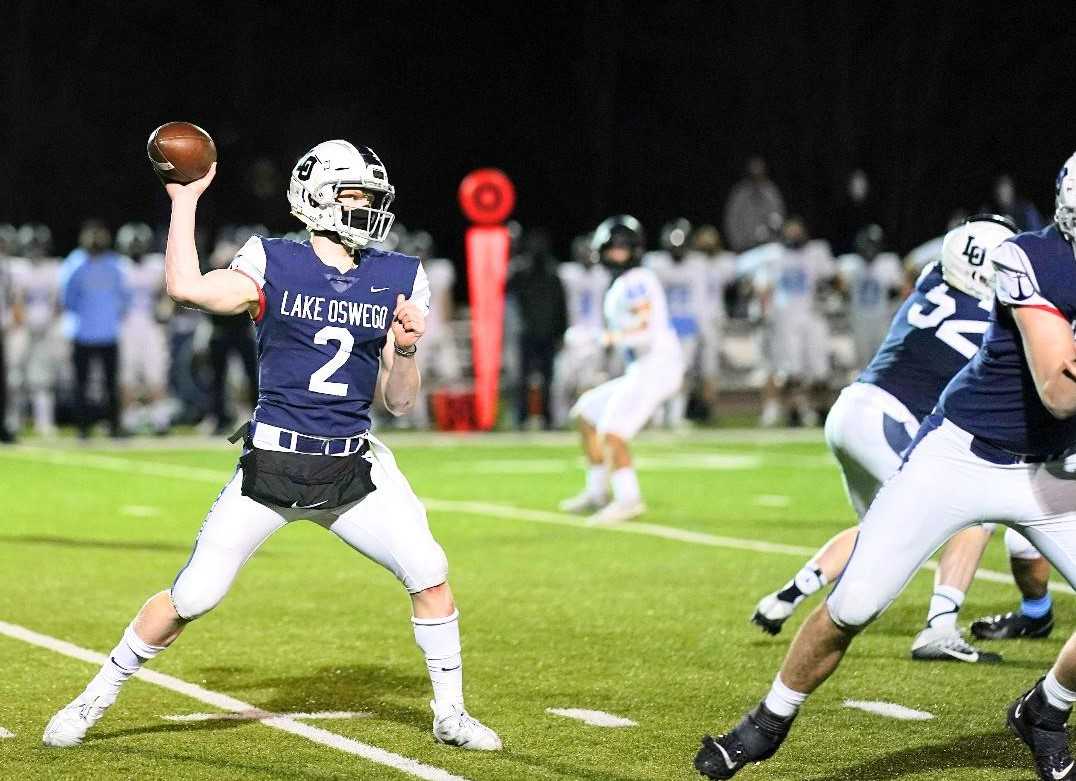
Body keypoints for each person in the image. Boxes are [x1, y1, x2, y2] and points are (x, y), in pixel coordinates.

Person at [43, 139, 500, 751]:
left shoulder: (397, 274)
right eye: (354, 194)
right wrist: (183, 201)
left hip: (352, 469)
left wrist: (410, 349)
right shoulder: (272, 261)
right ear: (316, 197)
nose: (366, 208)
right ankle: (95, 695)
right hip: (274, 465)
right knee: (193, 595)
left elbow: (399, 402)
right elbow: (185, 287)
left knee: (431, 575)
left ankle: (451, 715)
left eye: (370, 196)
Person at [695, 154, 1076, 781]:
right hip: (961, 454)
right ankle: (765, 723)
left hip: (1047, 469)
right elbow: (1059, 391)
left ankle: (1047, 710)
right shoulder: (1028, 258)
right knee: (855, 606)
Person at [751, 215, 1017, 665]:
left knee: (880, 528)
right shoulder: (994, 318)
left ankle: (789, 594)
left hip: (850, 409)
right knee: (973, 516)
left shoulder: (936, 276)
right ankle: (940, 627)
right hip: (889, 418)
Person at [559, 215, 684, 524]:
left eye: (622, 248)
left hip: (657, 364)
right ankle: (597, 491)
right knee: (587, 413)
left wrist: (601, 339)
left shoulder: (637, 280)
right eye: (612, 248)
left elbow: (645, 332)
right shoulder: (622, 283)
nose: (616, 254)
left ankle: (628, 499)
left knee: (612, 430)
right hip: (643, 366)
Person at [745, 217, 835, 427]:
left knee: (820, 370)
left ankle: (821, 410)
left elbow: (833, 278)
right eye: (790, 230)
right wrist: (763, 311)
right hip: (785, 319)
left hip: (813, 316)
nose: (794, 234)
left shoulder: (816, 252)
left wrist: (829, 290)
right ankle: (794, 412)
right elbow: (763, 287)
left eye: (797, 230)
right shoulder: (774, 256)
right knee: (791, 372)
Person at [62, 220, 130, 439]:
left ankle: (114, 425)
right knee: (81, 384)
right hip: (82, 332)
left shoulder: (115, 264)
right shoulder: (75, 262)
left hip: (108, 332)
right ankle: (83, 426)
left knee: (111, 382)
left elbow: (125, 296)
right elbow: (67, 296)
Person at [643, 218, 709, 427]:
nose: (677, 251)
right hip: (662, 326)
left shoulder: (698, 264)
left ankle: (676, 415)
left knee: (682, 373)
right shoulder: (655, 263)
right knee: (658, 371)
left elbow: (700, 299)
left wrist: (701, 325)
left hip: (687, 325)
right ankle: (657, 414)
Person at [506, 228, 568, 429]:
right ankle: (526, 417)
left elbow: (561, 305)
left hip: (542, 332)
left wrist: (560, 330)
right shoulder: (523, 271)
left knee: (546, 379)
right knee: (527, 379)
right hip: (531, 332)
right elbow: (505, 286)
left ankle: (544, 417)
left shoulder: (550, 272)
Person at [7, 223, 62, 436]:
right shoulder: (15, 267)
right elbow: (14, 299)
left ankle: (44, 422)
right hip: (20, 328)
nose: (36, 249)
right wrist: (22, 321)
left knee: (43, 378)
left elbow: (57, 302)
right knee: (15, 378)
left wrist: (49, 323)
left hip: (47, 327)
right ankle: (13, 421)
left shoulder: (54, 268)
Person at [117, 222, 171, 435]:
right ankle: (129, 420)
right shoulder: (118, 266)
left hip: (151, 323)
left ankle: (160, 419)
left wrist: (165, 311)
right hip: (126, 324)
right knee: (127, 374)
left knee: (155, 373)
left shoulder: (156, 264)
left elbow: (168, 293)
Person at [552, 233, 611, 427]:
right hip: (572, 335)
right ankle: (560, 421)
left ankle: (588, 420)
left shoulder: (603, 275)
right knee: (562, 383)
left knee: (590, 384)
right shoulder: (567, 273)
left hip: (595, 336)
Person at [836, 224, 905, 371]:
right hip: (859, 318)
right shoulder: (850, 264)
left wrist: (894, 306)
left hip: (882, 318)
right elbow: (839, 286)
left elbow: (902, 289)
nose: (869, 250)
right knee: (862, 360)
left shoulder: (888, 262)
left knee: (885, 359)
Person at [723, 156, 786, 252]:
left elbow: (778, 216)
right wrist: (738, 244)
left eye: (760, 171)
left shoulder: (771, 191)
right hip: (745, 246)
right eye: (754, 172)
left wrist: (771, 230)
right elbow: (732, 220)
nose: (757, 174)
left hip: (769, 245)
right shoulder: (740, 193)